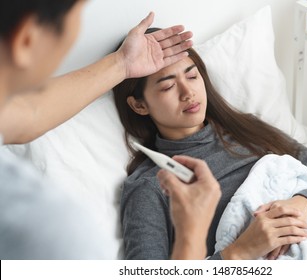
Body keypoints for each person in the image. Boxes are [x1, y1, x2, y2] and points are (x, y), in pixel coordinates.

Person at [112, 32, 307, 260]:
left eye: (191, 75)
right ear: (139, 105)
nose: (188, 92)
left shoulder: (246, 130)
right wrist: (241, 250)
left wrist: (299, 205)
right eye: (168, 86)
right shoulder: (150, 187)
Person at [0, 0, 195, 259]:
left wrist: (123, 63)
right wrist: (202, 238)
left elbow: (28, 113)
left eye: (192, 76)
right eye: (79, 15)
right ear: (26, 39)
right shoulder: (49, 230)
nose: (187, 92)